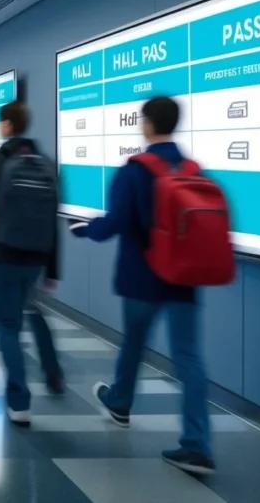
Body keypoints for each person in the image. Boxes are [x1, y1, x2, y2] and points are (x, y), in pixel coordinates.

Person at [70, 96, 215, 475]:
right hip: (185, 279)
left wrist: (85, 228)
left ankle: (120, 401)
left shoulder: (134, 171)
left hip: (142, 278)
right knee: (189, 358)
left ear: (148, 125)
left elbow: (115, 222)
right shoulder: (193, 169)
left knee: (134, 342)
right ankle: (197, 445)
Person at [0, 101, 63, 426]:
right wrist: (53, 268)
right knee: (33, 308)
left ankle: (19, 400)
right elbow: (52, 218)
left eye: (1, 123)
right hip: (38, 254)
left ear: (9, 125)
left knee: (8, 325)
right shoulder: (45, 164)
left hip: (4, 252)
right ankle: (52, 370)